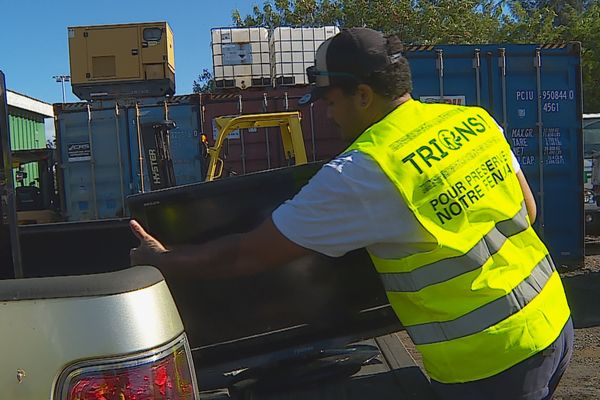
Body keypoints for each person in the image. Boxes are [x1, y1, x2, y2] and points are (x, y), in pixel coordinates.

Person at [130, 27, 573, 399]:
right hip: (554, 321)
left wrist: (165, 260)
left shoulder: (367, 170)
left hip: (489, 363)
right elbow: (527, 211)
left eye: (328, 99)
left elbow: (244, 255)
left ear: (362, 94)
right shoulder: (473, 121)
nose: (327, 113)